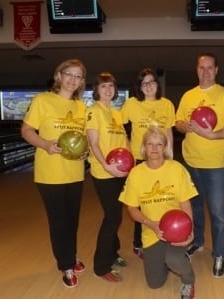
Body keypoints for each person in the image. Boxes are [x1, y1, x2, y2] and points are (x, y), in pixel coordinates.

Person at [21, 59, 87, 288]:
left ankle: (72, 254)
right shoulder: (43, 100)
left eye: (78, 76)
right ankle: (66, 265)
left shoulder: (81, 106)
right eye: (69, 74)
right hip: (50, 174)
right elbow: (26, 130)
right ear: (59, 75)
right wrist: (45, 144)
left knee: (72, 220)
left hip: (75, 173)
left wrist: (83, 153)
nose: (73, 79)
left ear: (81, 82)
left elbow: (81, 139)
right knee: (59, 222)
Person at [175, 53, 224, 278]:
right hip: (191, 161)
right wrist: (186, 127)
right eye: (201, 67)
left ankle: (220, 254)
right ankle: (199, 242)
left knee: (218, 213)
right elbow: (178, 122)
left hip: (215, 164)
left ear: (216, 70)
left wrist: (212, 136)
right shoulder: (188, 95)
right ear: (197, 70)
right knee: (194, 208)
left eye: (209, 67)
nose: (205, 71)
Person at [119, 127, 197, 299]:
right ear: (144, 147)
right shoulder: (136, 173)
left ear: (165, 147)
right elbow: (131, 208)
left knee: (174, 260)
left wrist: (189, 231)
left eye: (159, 144)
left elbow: (185, 202)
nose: (154, 148)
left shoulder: (177, 169)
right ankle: (169, 260)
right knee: (155, 283)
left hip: (178, 230)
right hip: (151, 230)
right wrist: (151, 224)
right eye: (150, 144)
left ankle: (188, 278)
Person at [121, 67, 175, 259]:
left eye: (152, 82)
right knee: (141, 203)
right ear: (140, 87)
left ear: (157, 85)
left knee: (162, 200)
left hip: (162, 159)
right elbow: (118, 124)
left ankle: (165, 235)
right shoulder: (131, 104)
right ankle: (139, 243)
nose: (149, 86)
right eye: (145, 83)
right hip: (139, 160)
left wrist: (171, 157)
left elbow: (168, 132)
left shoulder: (167, 104)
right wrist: (125, 147)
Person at [85, 71, 130, 282]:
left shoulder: (116, 113)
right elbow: (93, 143)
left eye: (111, 86)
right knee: (112, 217)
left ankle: (113, 253)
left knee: (116, 215)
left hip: (120, 171)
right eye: (103, 86)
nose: (108, 90)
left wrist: (131, 164)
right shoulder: (94, 111)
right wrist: (106, 165)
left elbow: (123, 141)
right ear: (96, 90)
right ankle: (101, 266)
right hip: (104, 172)